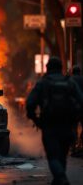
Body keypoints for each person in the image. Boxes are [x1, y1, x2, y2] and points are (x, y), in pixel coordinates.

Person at [26, 57, 83, 185]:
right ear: (61, 68)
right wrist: (76, 119)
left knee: (52, 155)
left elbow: (30, 104)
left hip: (49, 125)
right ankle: (59, 179)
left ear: (47, 68)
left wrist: (36, 119)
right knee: (62, 155)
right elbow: (81, 102)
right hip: (68, 125)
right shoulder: (70, 82)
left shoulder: (43, 83)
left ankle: (61, 178)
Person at [71, 66, 83, 150]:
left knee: (73, 127)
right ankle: (81, 141)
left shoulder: (69, 80)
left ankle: (73, 145)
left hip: (73, 108)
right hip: (82, 107)